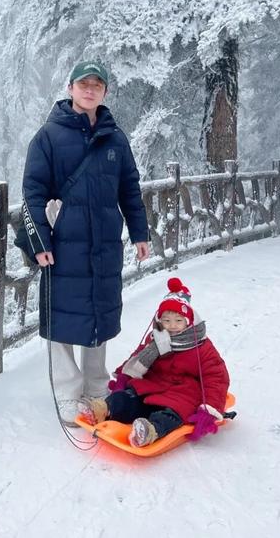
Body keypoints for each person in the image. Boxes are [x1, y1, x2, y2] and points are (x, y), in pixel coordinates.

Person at [21, 60, 150, 425]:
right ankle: (66, 393)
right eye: (83, 84)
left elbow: (130, 189)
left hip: (105, 244)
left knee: (100, 313)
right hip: (63, 244)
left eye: (97, 85)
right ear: (70, 89)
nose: (89, 90)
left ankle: (96, 387)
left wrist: (140, 233)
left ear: (105, 92)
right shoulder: (47, 136)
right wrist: (39, 241)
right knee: (63, 318)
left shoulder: (116, 138)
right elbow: (32, 192)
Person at [79, 277, 230, 447]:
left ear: (188, 322)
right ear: (159, 321)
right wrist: (124, 377)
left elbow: (216, 376)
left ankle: (149, 431)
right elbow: (138, 357)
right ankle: (102, 409)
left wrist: (209, 408)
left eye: (178, 320)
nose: (172, 325)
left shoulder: (201, 346)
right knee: (127, 397)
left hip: (183, 393)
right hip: (154, 385)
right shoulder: (155, 339)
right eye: (166, 320)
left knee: (171, 414)